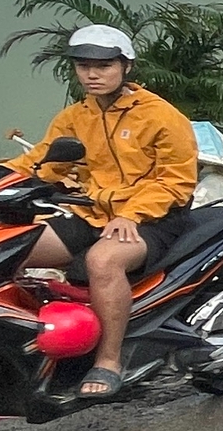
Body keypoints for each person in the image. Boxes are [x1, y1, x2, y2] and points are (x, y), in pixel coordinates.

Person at [10, 24, 198, 400]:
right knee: (16, 244)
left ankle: (109, 360)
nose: (92, 74)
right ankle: (32, 339)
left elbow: (177, 180)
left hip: (154, 217)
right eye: (83, 66)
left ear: (126, 66)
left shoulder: (161, 116)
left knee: (102, 261)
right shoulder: (74, 118)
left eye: (104, 65)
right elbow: (41, 163)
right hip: (94, 212)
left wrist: (132, 214)